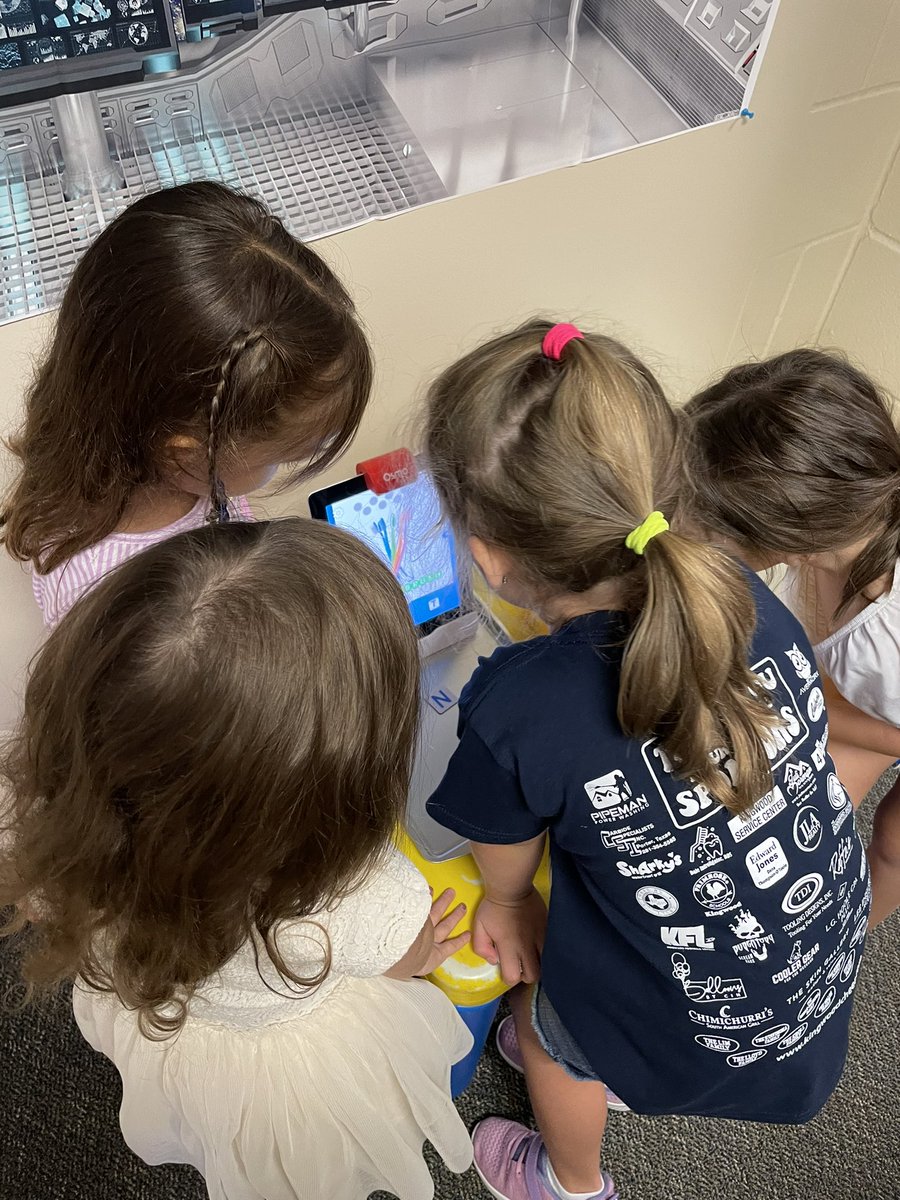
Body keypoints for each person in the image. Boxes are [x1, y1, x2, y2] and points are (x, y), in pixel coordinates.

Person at [423, 322, 870, 1200]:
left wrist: (511, 905)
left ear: (489, 560)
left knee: (547, 1033)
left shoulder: (519, 704)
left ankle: (570, 1182)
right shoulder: (744, 598)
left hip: (696, 1031)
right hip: (815, 982)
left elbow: (499, 842)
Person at [0, 518, 474, 1200]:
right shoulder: (364, 896)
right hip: (287, 1072)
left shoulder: (64, 830)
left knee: (211, 1133)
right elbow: (400, 956)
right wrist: (425, 953)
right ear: (348, 783)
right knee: (300, 1167)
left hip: (176, 1027)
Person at [1, 180, 372, 628]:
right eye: (281, 457)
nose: (285, 468)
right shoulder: (115, 598)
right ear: (186, 454)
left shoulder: (109, 441)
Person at [684, 349, 900, 924]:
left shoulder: (884, 636)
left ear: (794, 542)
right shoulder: (846, 519)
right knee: (803, 802)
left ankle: (845, 946)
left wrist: (806, 710)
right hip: (869, 693)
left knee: (894, 845)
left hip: (887, 706)